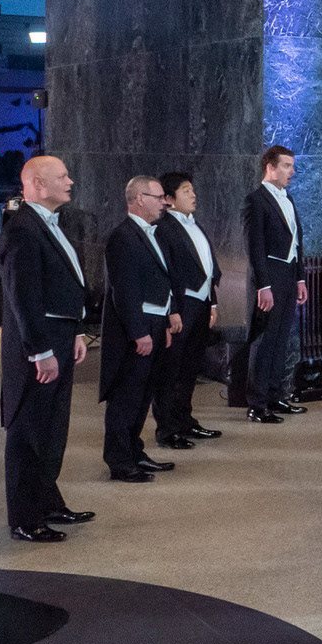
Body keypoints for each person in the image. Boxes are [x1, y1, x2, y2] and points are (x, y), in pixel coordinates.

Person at [0, 155, 92, 542]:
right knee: (29, 433)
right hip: (38, 348)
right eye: (62, 176)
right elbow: (24, 297)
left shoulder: (51, 224)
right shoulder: (22, 229)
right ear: (37, 183)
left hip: (60, 340)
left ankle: (47, 501)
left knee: (53, 430)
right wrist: (39, 351)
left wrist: (77, 331)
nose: (71, 181)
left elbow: (65, 284)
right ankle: (24, 518)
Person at [98, 176, 176, 483]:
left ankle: (134, 451)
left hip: (155, 323)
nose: (165, 202)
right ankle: (119, 460)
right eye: (158, 197)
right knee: (126, 396)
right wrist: (138, 332)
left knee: (143, 394)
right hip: (137, 329)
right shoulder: (123, 236)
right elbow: (125, 289)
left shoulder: (151, 233)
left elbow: (160, 282)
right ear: (138, 199)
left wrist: (165, 320)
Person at [152, 172, 223, 452]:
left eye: (192, 189)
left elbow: (207, 268)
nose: (193, 195)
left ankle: (185, 420)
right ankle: (167, 428)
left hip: (201, 304)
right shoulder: (164, 228)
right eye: (185, 191)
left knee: (191, 367)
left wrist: (213, 302)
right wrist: (172, 310)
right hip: (181, 307)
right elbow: (165, 274)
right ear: (169, 200)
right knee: (171, 369)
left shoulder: (196, 224)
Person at [242, 146, 307, 423]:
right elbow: (254, 246)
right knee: (265, 340)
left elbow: (297, 241)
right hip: (270, 276)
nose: (292, 171)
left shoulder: (288, 198)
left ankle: (275, 395)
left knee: (281, 339)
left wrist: (300, 277)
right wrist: (263, 285)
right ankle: (257, 404)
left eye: (292, 166)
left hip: (288, 275)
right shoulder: (256, 201)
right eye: (287, 166)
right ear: (270, 167)